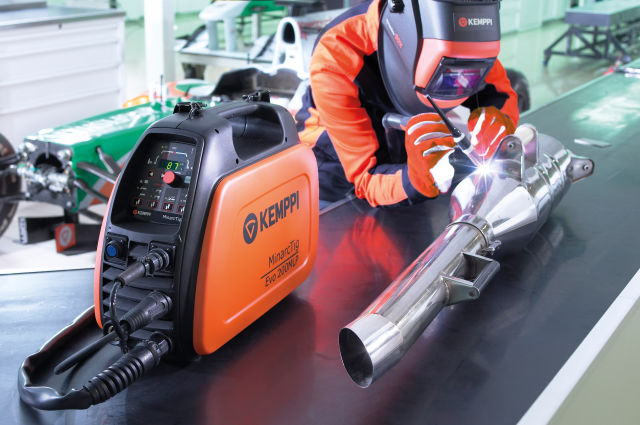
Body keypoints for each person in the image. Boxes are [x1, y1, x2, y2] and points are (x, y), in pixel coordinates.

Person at [295, 0, 519, 207]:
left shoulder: (466, 40)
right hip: (334, 172)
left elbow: (501, 94)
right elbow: (365, 177)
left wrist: (498, 121)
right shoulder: (337, 51)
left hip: (407, 153)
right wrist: (414, 180)